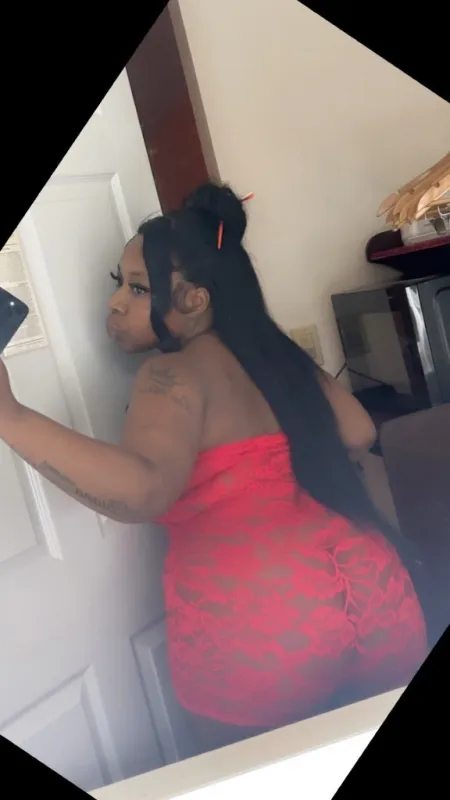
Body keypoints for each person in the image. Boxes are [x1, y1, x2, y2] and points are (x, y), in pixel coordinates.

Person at [0, 182, 427, 754]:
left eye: (138, 287)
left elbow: (145, 490)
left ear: (194, 300)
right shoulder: (277, 357)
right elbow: (359, 431)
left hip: (264, 621)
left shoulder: (170, 374)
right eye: (118, 283)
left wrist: (11, 416)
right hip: (373, 590)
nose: (115, 303)